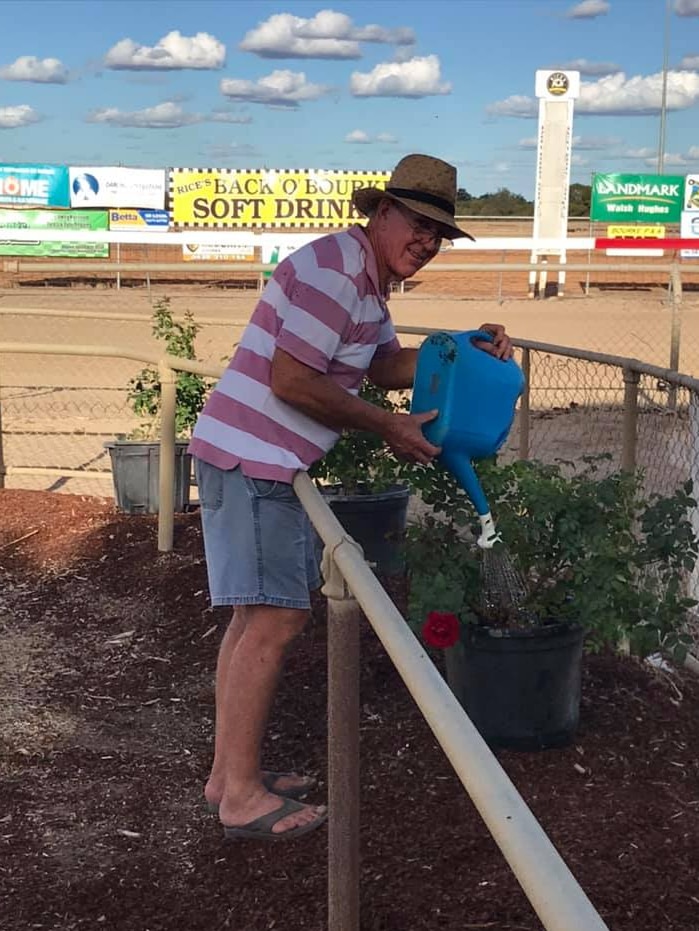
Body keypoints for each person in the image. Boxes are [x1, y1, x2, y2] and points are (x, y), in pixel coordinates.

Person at [188, 153, 512, 842]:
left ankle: (228, 774)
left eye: (437, 234)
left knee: (254, 620)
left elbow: (386, 366)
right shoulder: (338, 275)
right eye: (418, 224)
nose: (425, 242)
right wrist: (387, 425)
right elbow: (292, 381)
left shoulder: (363, 282)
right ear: (380, 212)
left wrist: (459, 350)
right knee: (273, 622)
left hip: (251, 454)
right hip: (257, 456)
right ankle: (240, 796)